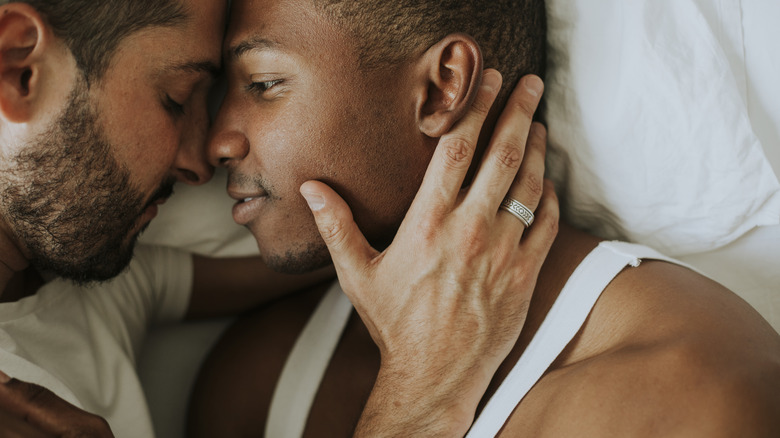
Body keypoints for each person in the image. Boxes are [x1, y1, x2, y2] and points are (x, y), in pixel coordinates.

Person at [188, 0, 780, 436]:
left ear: (443, 88)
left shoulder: (694, 396)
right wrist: (414, 394)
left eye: (264, 84)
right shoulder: (254, 382)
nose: (216, 142)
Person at [0, 0, 557, 436]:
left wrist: (481, 183)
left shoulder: (96, 286)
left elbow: (369, 244)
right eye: (175, 96)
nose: (201, 161)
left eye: (261, 85)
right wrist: (418, 399)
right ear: (18, 67)